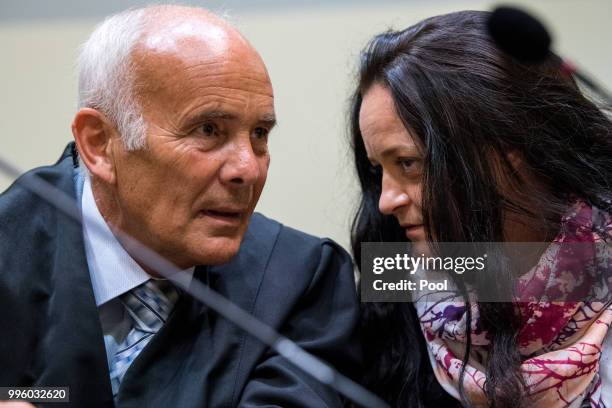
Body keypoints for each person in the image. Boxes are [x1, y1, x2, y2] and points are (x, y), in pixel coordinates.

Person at [0, 5, 361, 407]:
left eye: (259, 133)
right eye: (208, 130)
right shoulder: (9, 249)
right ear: (100, 144)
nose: (248, 168)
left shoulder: (302, 280)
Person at [350, 10, 612, 408]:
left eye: (407, 163)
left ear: (510, 147)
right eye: (377, 170)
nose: (386, 201)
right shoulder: (396, 284)